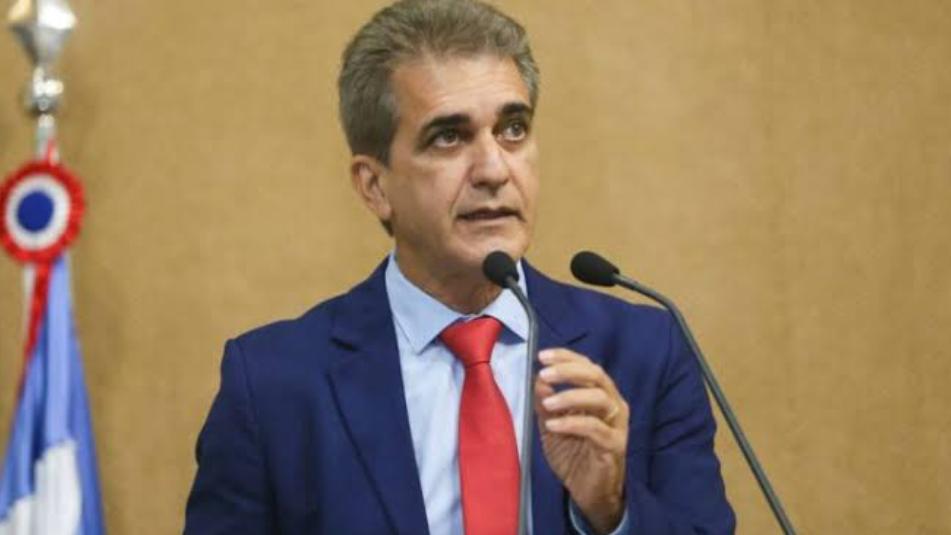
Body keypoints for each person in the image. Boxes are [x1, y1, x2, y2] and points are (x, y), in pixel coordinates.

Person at [184, 1, 735, 533]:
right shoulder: (275, 384)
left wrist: (611, 511)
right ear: (374, 186)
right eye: (448, 137)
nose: (494, 169)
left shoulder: (644, 352)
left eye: (513, 129)